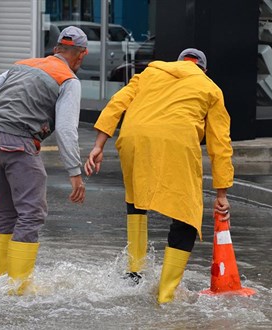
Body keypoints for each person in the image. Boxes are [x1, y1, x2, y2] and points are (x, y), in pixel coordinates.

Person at [84, 48, 234, 304]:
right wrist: (221, 193)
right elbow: (220, 143)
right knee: (187, 214)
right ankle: (166, 294)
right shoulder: (210, 88)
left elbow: (116, 104)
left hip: (133, 138)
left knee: (136, 197)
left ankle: (134, 273)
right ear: (204, 69)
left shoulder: (149, 73)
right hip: (177, 141)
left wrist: (99, 144)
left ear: (177, 64)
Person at [0, 26, 89, 295]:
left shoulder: (23, 65)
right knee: (31, 213)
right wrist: (74, 171)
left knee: (6, 212)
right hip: (19, 142)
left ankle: (2, 282)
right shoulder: (68, 80)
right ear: (81, 55)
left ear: (56, 49)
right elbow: (65, 128)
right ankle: (17, 289)